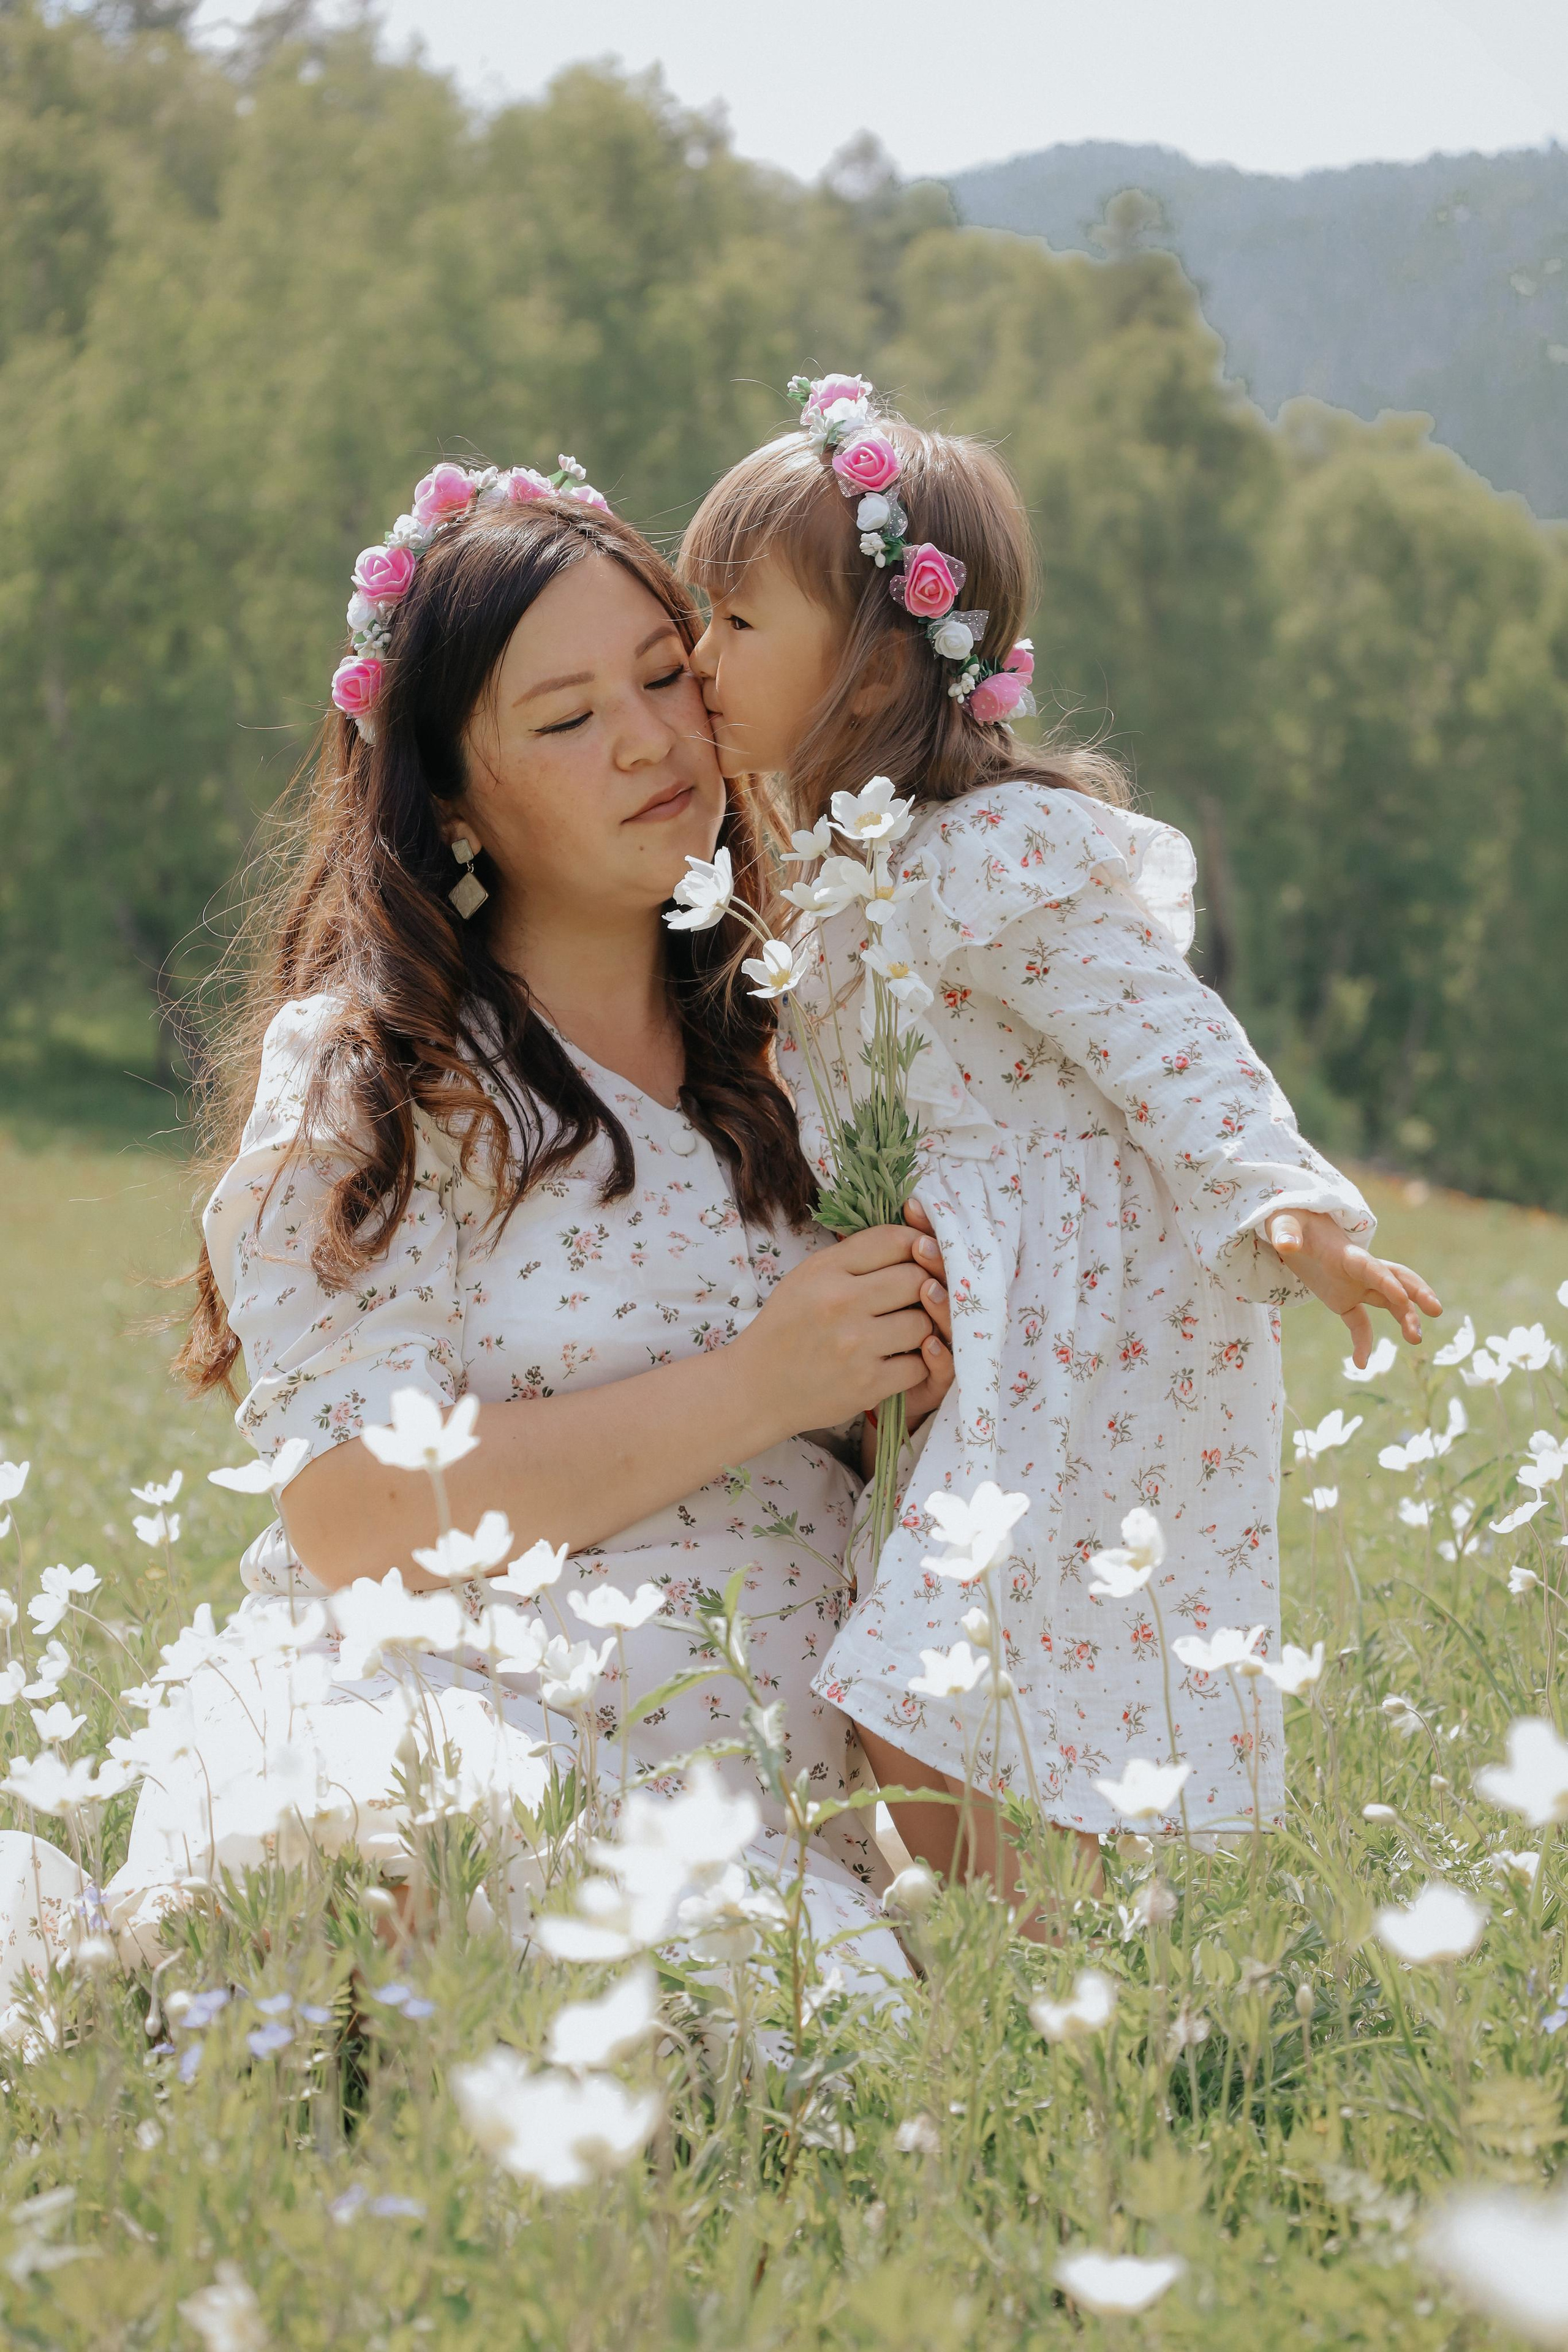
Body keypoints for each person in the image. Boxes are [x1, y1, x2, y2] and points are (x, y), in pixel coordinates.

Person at [0, 456, 956, 1991]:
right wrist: (768, 1383)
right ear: (451, 790)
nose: (650, 740)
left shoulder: (827, 1056)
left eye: (668, 674)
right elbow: (357, 1519)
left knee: (769, 2058)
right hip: (438, 1718)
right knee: (397, 1902)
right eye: (568, 719)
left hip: (753, 1813)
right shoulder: (383, 1079)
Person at [677, 374, 1441, 1900]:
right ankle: (1039, 1963)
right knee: (941, 1688)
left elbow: (1162, 1037)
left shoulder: (987, 858)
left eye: (737, 625)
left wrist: (1283, 1204)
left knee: (936, 1692)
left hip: (1073, 1333)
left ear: (881, 663)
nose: (695, 664)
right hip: (967, 1332)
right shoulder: (825, 868)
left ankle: (1045, 1983)